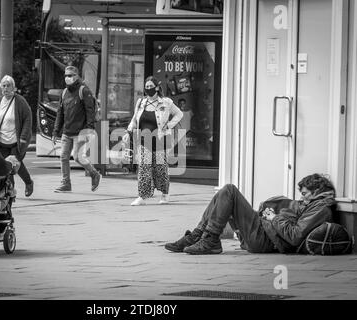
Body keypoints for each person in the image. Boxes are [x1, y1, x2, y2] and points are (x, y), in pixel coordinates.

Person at [165, 173, 336, 254]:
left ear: (317, 191)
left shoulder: (320, 208)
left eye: (305, 194)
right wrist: (272, 214)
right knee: (223, 196)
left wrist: (274, 217)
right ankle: (199, 235)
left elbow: (295, 235)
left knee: (230, 191)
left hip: (266, 240)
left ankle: (209, 240)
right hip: (266, 233)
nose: (302, 198)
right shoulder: (314, 204)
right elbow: (292, 221)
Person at [123, 76, 183, 206]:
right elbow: (134, 119)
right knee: (144, 168)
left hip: (161, 139)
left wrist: (169, 125)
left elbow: (179, 114)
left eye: (151, 86)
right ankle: (142, 197)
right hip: (144, 140)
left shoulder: (166, 102)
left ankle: (165, 194)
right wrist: (128, 132)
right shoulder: (141, 103)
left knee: (160, 168)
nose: (148, 89)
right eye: (146, 87)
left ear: (157, 87)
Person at [51, 65, 101, 193]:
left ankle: (94, 173)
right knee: (63, 157)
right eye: (66, 76)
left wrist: (89, 130)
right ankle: (66, 183)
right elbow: (60, 113)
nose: (67, 78)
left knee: (78, 157)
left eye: (70, 75)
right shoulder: (64, 93)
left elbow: (90, 112)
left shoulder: (83, 90)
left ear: (77, 76)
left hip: (81, 131)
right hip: (67, 132)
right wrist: (56, 131)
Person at [0, 75, 34, 197]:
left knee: (14, 165)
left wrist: (23, 138)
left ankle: (25, 184)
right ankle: (12, 191)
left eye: (8, 86)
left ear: (14, 87)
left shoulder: (20, 101)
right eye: (3, 86)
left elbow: (28, 119)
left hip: (15, 141)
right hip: (0, 140)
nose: (5, 88)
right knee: (7, 166)